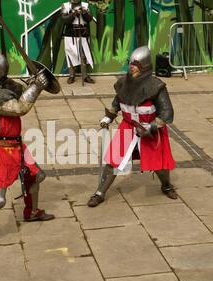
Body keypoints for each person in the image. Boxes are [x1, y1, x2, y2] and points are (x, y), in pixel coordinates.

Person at [0, 51, 55, 255]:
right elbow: (18, 108)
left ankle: (31, 212)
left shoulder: (0, 85)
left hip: (16, 145)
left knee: (36, 175)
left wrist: (33, 82)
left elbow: (18, 91)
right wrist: (37, 87)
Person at [87, 46, 178, 208]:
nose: (131, 67)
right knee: (112, 160)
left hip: (150, 130)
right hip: (127, 127)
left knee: (159, 164)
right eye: (131, 63)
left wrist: (150, 128)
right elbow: (117, 103)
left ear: (145, 66)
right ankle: (99, 192)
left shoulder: (156, 87)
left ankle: (167, 185)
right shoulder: (124, 83)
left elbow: (167, 113)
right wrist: (108, 117)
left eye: (136, 64)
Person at [61, 0, 95, 84]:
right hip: (70, 33)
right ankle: (72, 75)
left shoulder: (85, 5)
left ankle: (85, 76)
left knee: (84, 55)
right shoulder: (65, 5)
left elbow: (89, 18)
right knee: (70, 54)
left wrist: (84, 12)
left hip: (83, 32)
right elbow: (65, 20)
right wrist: (73, 14)